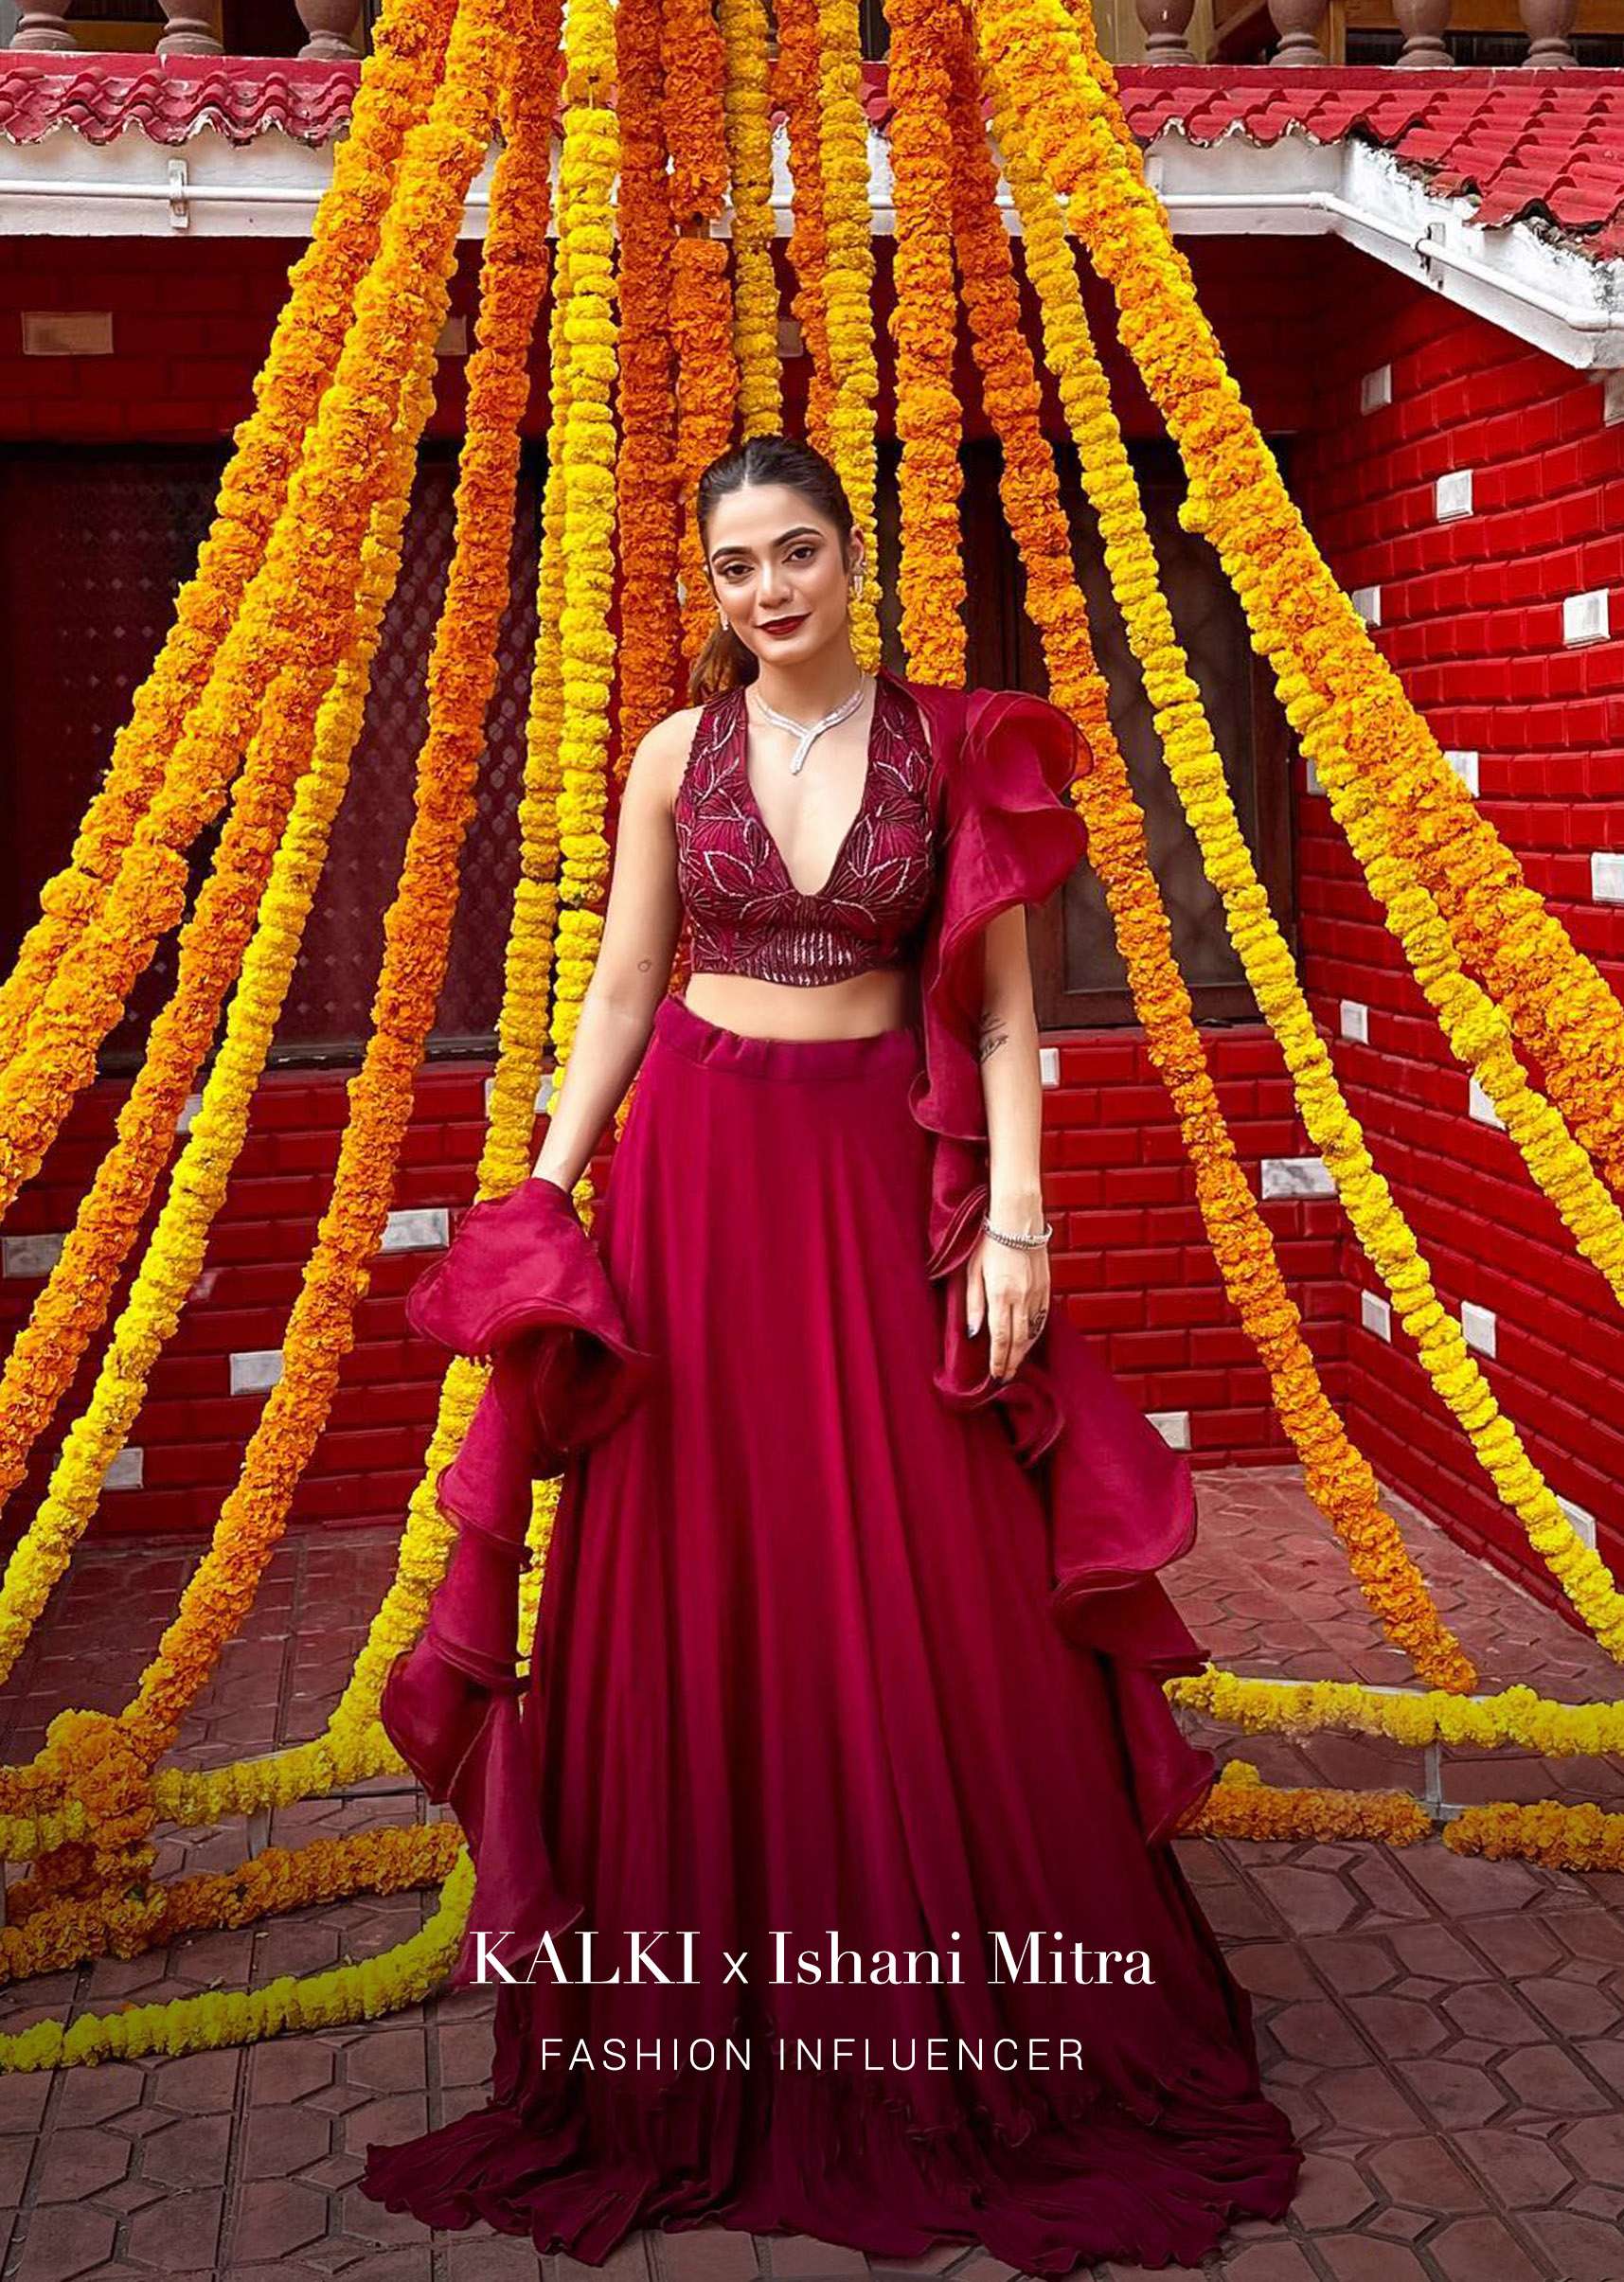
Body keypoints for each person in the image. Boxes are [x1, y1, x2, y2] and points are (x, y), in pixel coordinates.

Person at [358, 434, 1303, 2272]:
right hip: (700, 1173)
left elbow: (1013, 1009)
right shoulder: (667, 757)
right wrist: (542, 1196)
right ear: (710, 586)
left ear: (853, 558)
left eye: (796, 553)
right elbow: (623, 985)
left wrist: (1016, 1218)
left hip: (878, 1174)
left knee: (926, 1555)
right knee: (701, 1551)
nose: (767, 590)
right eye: (735, 565)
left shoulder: (958, 745)